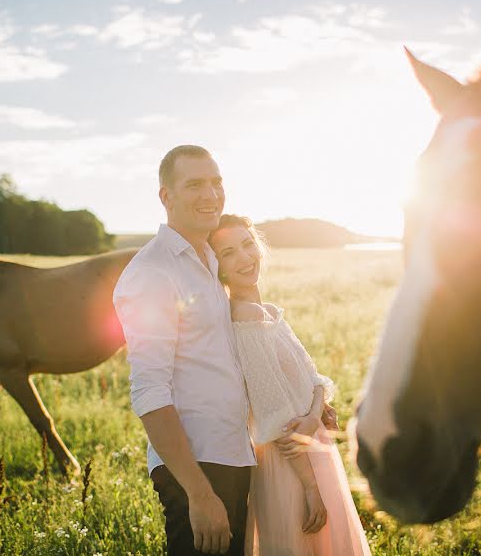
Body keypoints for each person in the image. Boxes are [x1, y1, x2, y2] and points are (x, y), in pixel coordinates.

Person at [113, 145, 255, 556]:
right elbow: (149, 391)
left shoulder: (210, 258)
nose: (210, 194)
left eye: (216, 182)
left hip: (232, 454)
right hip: (196, 468)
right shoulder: (152, 273)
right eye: (195, 184)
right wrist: (199, 493)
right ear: (166, 196)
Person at [208, 214, 371, 556]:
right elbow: (273, 413)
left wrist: (316, 413)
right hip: (291, 467)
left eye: (248, 244)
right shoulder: (245, 318)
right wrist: (310, 487)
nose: (244, 257)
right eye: (228, 252)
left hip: (312, 446)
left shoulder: (266, 312)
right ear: (217, 267)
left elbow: (311, 378)